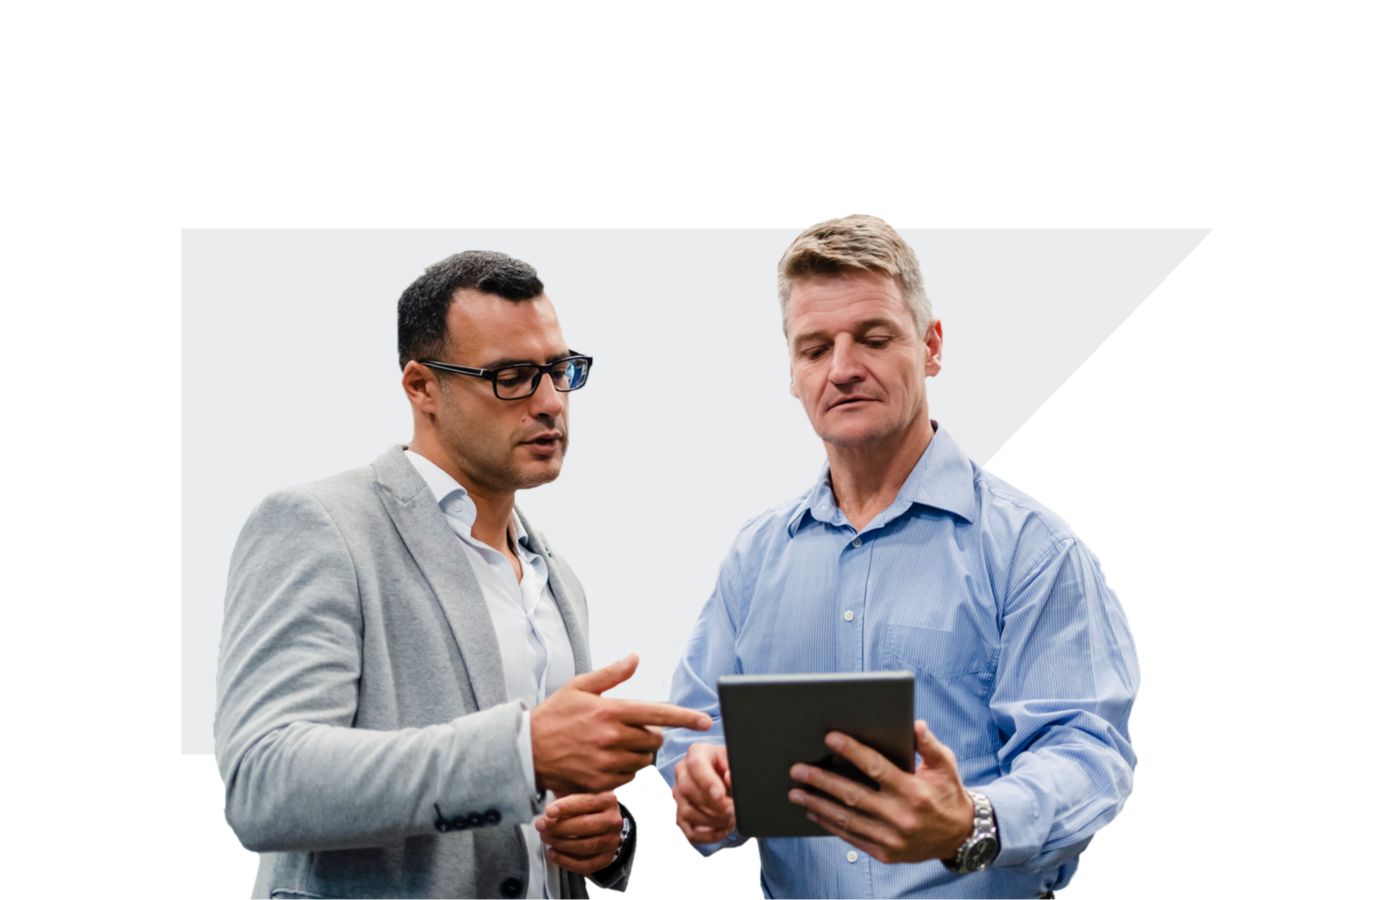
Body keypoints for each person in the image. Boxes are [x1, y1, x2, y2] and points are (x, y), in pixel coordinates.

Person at [658, 216, 1139, 898]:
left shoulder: (1032, 552)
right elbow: (696, 725)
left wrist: (970, 819)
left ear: (931, 345)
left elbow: (1086, 753)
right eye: (815, 349)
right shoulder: (754, 558)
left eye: (874, 338)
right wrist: (701, 778)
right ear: (793, 372)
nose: (843, 369)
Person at [215, 250, 711, 899]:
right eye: (512, 377)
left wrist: (606, 837)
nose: (549, 403)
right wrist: (521, 753)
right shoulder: (320, 527)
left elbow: (537, 808)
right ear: (421, 386)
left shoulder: (557, 577)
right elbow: (264, 782)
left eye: (559, 371)